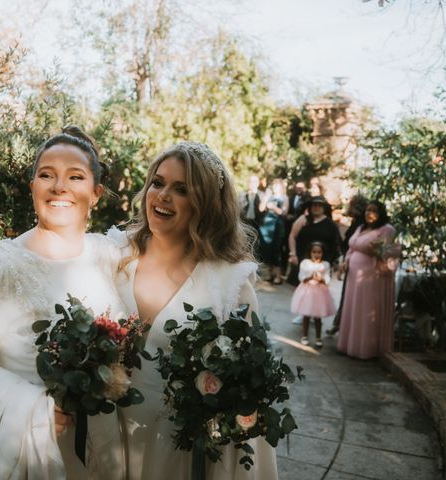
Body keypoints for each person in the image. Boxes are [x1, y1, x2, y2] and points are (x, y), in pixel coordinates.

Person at [0, 127, 127, 480]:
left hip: (105, 449)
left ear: (96, 193)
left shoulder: (107, 254)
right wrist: (31, 411)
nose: (60, 187)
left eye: (75, 176)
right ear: (33, 188)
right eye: (46, 175)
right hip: (34, 452)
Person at [110, 142, 278, 479]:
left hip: (176, 449)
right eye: (157, 183)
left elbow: (246, 388)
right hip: (109, 434)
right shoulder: (112, 252)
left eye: (182, 189)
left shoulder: (230, 282)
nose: (162, 196)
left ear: (206, 204)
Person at [337, 200, 398, 359]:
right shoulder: (360, 228)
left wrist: (378, 250)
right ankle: (349, 344)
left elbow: (390, 252)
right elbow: (352, 247)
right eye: (367, 210)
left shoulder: (387, 229)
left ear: (381, 213)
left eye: (374, 211)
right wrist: (346, 261)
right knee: (353, 307)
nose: (369, 214)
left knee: (366, 309)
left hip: (371, 276)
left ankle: (366, 349)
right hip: (353, 276)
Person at [326, 194, 368, 335]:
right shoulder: (358, 222)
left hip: (353, 264)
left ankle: (340, 325)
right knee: (347, 296)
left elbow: (349, 242)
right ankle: (339, 324)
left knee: (348, 297)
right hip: (350, 261)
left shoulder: (360, 223)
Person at [287, 196, 341, 287]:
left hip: (321, 264)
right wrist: (293, 254)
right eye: (314, 205)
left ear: (324, 208)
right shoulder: (303, 219)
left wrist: (336, 261)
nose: (316, 208)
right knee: (300, 290)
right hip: (302, 262)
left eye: (320, 205)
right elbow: (292, 236)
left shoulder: (330, 224)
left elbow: (336, 243)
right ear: (310, 207)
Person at [291, 242, 336, 348]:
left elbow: (328, 278)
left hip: (320, 292)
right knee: (306, 315)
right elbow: (301, 276)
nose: (317, 254)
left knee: (317, 316)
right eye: (314, 252)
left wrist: (322, 279)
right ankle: (304, 336)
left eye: (319, 252)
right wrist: (309, 277)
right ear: (310, 252)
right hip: (307, 291)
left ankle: (318, 337)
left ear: (323, 253)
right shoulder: (305, 263)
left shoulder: (325, 264)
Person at [259, 178, 289, 284]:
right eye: (274, 185)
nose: (276, 187)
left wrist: (273, 207)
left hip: (277, 225)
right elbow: (261, 209)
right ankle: (269, 274)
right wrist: (266, 197)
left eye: (278, 185)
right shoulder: (269, 196)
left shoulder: (284, 197)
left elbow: (284, 212)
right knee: (266, 249)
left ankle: (278, 275)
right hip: (266, 225)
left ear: (281, 187)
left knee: (276, 249)